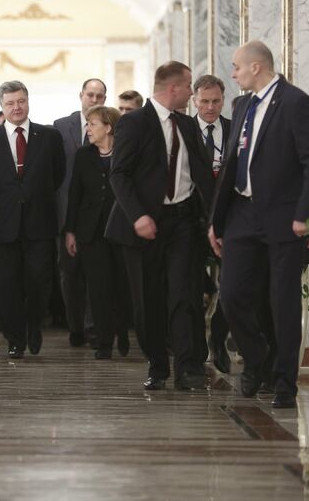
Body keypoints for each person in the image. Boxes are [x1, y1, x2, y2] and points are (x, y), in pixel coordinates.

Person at [210, 40, 309, 409]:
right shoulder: (242, 104)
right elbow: (231, 165)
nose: (233, 73)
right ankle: (258, 360)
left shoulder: (296, 103)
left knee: (282, 302)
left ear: (256, 67)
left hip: (284, 218)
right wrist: (218, 221)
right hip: (242, 215)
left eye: (236, 67)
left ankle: (284, 383)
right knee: (230, 296)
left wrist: (307, 214)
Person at [105, 61, 213, 391]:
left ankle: (187, 367)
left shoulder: (188, 124)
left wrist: (214, 220)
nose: (194, 94)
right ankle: (157, 365)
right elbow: (119, 174)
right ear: (173, 89)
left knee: (184, 293)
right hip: (144, 224)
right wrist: (138, 215)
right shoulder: (134, 123)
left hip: (181, 220)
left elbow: (202, 176)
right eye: (190, 87)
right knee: (148, 298)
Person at [0, 81, 65, 358]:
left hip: (40, 221)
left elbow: (58, 174)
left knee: (39, 280)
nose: (16, 108)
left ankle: (34, 326)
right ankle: (14, 338)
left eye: (21, 101)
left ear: (28, 102)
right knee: (8, 284)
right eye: (10, 103)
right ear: (1, 106)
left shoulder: (49, 136)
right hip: (4, 224)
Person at [65, 106, 132, 359]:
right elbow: (75, 194)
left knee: (123, 286)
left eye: (92, 124)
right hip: (90, 232)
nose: (88, 129)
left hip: (121, 229)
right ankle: (103, 343)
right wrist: (70, 231)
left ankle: (123, 335)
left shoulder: (126, 154)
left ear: (108, 127)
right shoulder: (83, 155)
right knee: (98, 288)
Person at [54, 78, 107, 347]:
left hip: (97, 215)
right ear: (81, 96)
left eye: (100, 96)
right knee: (70, 275)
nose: (94, 100)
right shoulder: (61, 126)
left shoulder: (111, 127)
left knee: (95, 274)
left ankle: (93, 327)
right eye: (90, 95)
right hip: (66, 213)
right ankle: (75, 325)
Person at [192, 75, 232, 374]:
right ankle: (194, 347)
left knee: (231, 287)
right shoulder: (183, 130)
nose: (210, 107)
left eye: (215, 101)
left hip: (229, 220)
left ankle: (218, 338)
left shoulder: (234, 130)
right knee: (190, 288)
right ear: (194, 100)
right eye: (204, 101)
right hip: (190, 220)